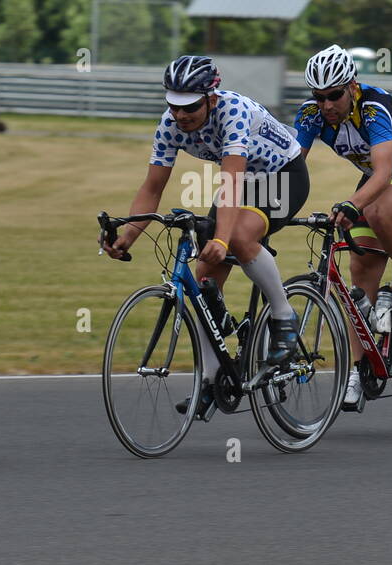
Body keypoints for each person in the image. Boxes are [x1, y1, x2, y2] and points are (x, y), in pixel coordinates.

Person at [100, 55, 310, 418]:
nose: (181, 115)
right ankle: (214, 381)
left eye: (190, 107)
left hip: (282, 176)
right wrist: (129, 234)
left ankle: (283, 315)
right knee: (203, 280)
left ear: (211, 98)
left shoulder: (234, 112)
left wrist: (224, 240)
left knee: (239, 238)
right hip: (242, 184)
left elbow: (230, 181)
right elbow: (153, 187)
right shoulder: (170, 124)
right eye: (174, 106)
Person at [293, 44, 392, 410]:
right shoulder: (312, 115)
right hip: (379, 184)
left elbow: (381, 172)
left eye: (334, 95)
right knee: (359, 274)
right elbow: (291, 168)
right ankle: (357, 369)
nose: (327, 105)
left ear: (351, 86)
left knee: (380, 212)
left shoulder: (373, 108)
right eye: (319, 97)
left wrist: (353, 203)